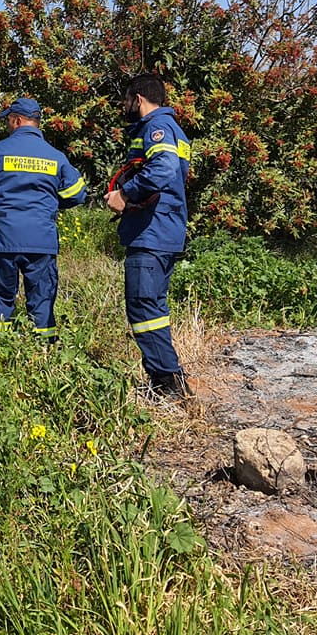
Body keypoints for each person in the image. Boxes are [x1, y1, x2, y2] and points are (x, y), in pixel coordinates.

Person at [0, 97, 87, 338]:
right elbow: (78, 194)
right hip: (41, 240)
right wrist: (52, 203)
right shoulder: (56, 156)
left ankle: (1, 347)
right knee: (42, 300)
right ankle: (44, 350)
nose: (7, 126)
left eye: (8, 120)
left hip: (3, 240)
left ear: (17, 120)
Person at [104, 74, 193, 398]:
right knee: (151, 307)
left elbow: (164, 168)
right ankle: (165, 380)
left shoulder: (157, 128)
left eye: (125, 100)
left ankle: (168, 384)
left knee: (144, 308)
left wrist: (125, 195)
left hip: (151, 233)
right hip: (161, 230)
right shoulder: (172, 129)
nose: (123, 106)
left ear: (138, 99)